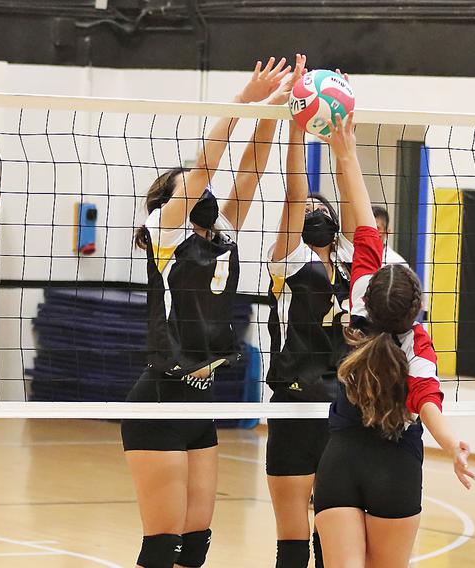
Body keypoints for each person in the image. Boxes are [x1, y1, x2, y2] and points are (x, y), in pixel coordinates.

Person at [121, 57, 293, 568]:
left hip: (201, 400)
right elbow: (205, 168)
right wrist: (241, 102)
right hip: (158, 402)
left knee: (194, 547)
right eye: (188, 189)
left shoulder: (223, 236)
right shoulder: (166, 234)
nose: (202, 193)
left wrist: (275, 111)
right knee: (163, 543)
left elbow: (252, 169)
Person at [313, 114, 475, 568]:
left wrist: (344, 151)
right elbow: (427, 400)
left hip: (340, 458)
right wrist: (451, 445)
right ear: (416, 308)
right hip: (395, 465)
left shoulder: (359, 303)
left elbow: (365, 225)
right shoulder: (417, 346)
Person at [265, 55, 353, 568]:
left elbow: (348, 199)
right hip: (294, 403)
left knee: (332, 541)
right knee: (292, 546)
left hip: (341, 405)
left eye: (325, 210)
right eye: (309, 212)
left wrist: (346, 147)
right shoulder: (287, 259)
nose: (315, 212)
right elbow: (296, 193)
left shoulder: (352, 264)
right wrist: (297, 126)